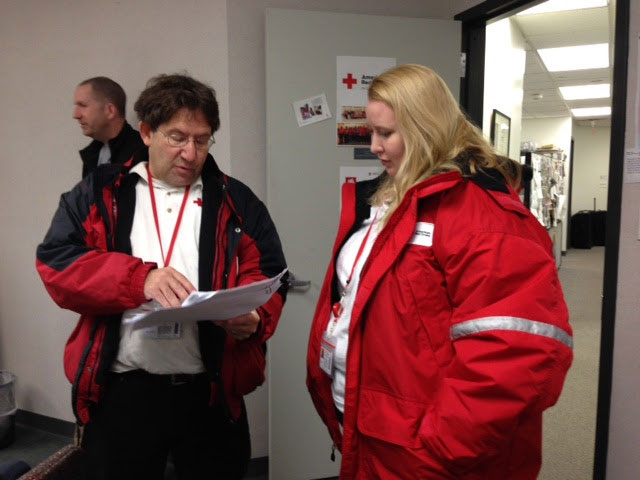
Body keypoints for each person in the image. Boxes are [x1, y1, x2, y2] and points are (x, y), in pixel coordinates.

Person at [306, 64, 573, 479]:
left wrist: (434, 450)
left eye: (386, 133)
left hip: (427, 456)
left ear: (424, 127)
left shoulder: (484, 217)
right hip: (375, 432)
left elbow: (517, 356)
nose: (374, 146)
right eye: (370, 132)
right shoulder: (390, 199)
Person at [37, 73, 288, 479]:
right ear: (148, 132)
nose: (191, 153)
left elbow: (271, 272)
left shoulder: (235, 199)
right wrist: (140, 280)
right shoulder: (99, 192)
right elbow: (57, 265)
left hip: (210, 392)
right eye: (177, 137)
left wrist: (256, 318)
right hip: (123, 391)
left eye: (202, 140)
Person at [73, 76, 144, 178]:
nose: (76, 115)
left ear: (110, 111)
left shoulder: (141, 153)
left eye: (83, 105)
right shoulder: (93, 155)